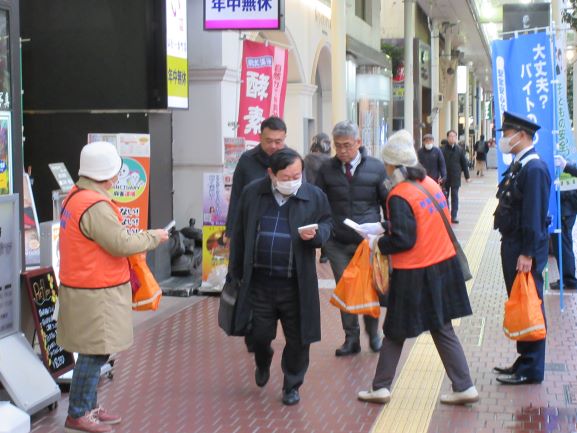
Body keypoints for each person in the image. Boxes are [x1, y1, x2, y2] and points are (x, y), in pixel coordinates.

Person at [357, 130, 478, 406]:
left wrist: (378, 241)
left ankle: (381, 387)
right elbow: (425, 220)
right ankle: (464, 385)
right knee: (442, 327)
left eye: (387, 165)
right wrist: (387, 226)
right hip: (443, 265)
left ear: (395, 166)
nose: (385, 170)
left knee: (395, 331)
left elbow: (404, 239)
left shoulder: (398, 194)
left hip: (414, 272)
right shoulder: (431, 185)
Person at [57, 142, 169, 433]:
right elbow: (120, 244)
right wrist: (153, 237)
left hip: (86, 286)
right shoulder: (95, 205)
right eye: (117, 172)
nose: (118, 177)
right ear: (108, 174)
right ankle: (79, 413)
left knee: (95, 350)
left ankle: (89, 408)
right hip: (96, 291)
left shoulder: (76, 196)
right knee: (95, 352)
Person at [227, 148, 332, 406]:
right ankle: (262, 361)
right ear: (271, 174)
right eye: (286, 177)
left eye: (297, 175)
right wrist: (235, 273)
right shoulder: (254, 193)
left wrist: (318, 236)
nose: (293, 180)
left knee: (298, 339)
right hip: (260, 282)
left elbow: (328, 223)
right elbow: (240, 233)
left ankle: (292, 384)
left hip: (296, 283)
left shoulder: (312, 196)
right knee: (258, 334)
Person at [316, 120, 388, 356]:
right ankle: (351, 338)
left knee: (370, 288)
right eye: (338, 146)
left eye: (347, 145)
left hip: (367, 242)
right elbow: (318, 202)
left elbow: (387, 203)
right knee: (345, 288)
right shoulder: (326, 169)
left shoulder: (376, 168)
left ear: (359, 142)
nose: (343, 150)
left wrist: (387, 231)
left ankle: (373, 334)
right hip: (337, 241)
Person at [493, 111, 551, 385]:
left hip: (524, 248)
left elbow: (534, 216)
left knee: (530, 302)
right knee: (520, 301)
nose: (505, 140)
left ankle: (532, 367)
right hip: (514, 244)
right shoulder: (520, 164)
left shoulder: (534, 168)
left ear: (522, 135)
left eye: (506, 135)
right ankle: (524, 359)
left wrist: (527, 253)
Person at [224, 116, 287, 352]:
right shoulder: (247, 161)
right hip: (251, 234)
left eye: (278, 141)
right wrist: (231, 231)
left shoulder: (291, 160)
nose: (273, 146)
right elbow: (237, 198)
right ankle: (254, 336)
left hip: (281, 235)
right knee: (248, 285)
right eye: (269, 140)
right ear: (260, 137)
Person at [550, 155, 577, 291]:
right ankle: (567, 278)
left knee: (563, 243)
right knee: (561, 244)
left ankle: (569, 279)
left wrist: (565, 165)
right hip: (564, 204)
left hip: (566, 205)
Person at [304, 132, 331, 263]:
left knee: (311, 224)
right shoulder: (330, 161)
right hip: (326, 196)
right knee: (324, 223)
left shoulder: (307, 159)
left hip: (310, 196)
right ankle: (324, 254)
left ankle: (311, 251)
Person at [441, 130, 471, 224]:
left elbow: (464, 164)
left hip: (455, 177)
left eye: (454, 136)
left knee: (455, 196)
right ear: (447, 137)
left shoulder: (459, 149)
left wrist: (467, 176)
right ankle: (446, 214)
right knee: (444, 197)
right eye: (450, 136)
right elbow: (439, 163)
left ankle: (454, 216)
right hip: (445, 177)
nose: (452, 138)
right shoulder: (442, 150)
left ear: (456, 137)